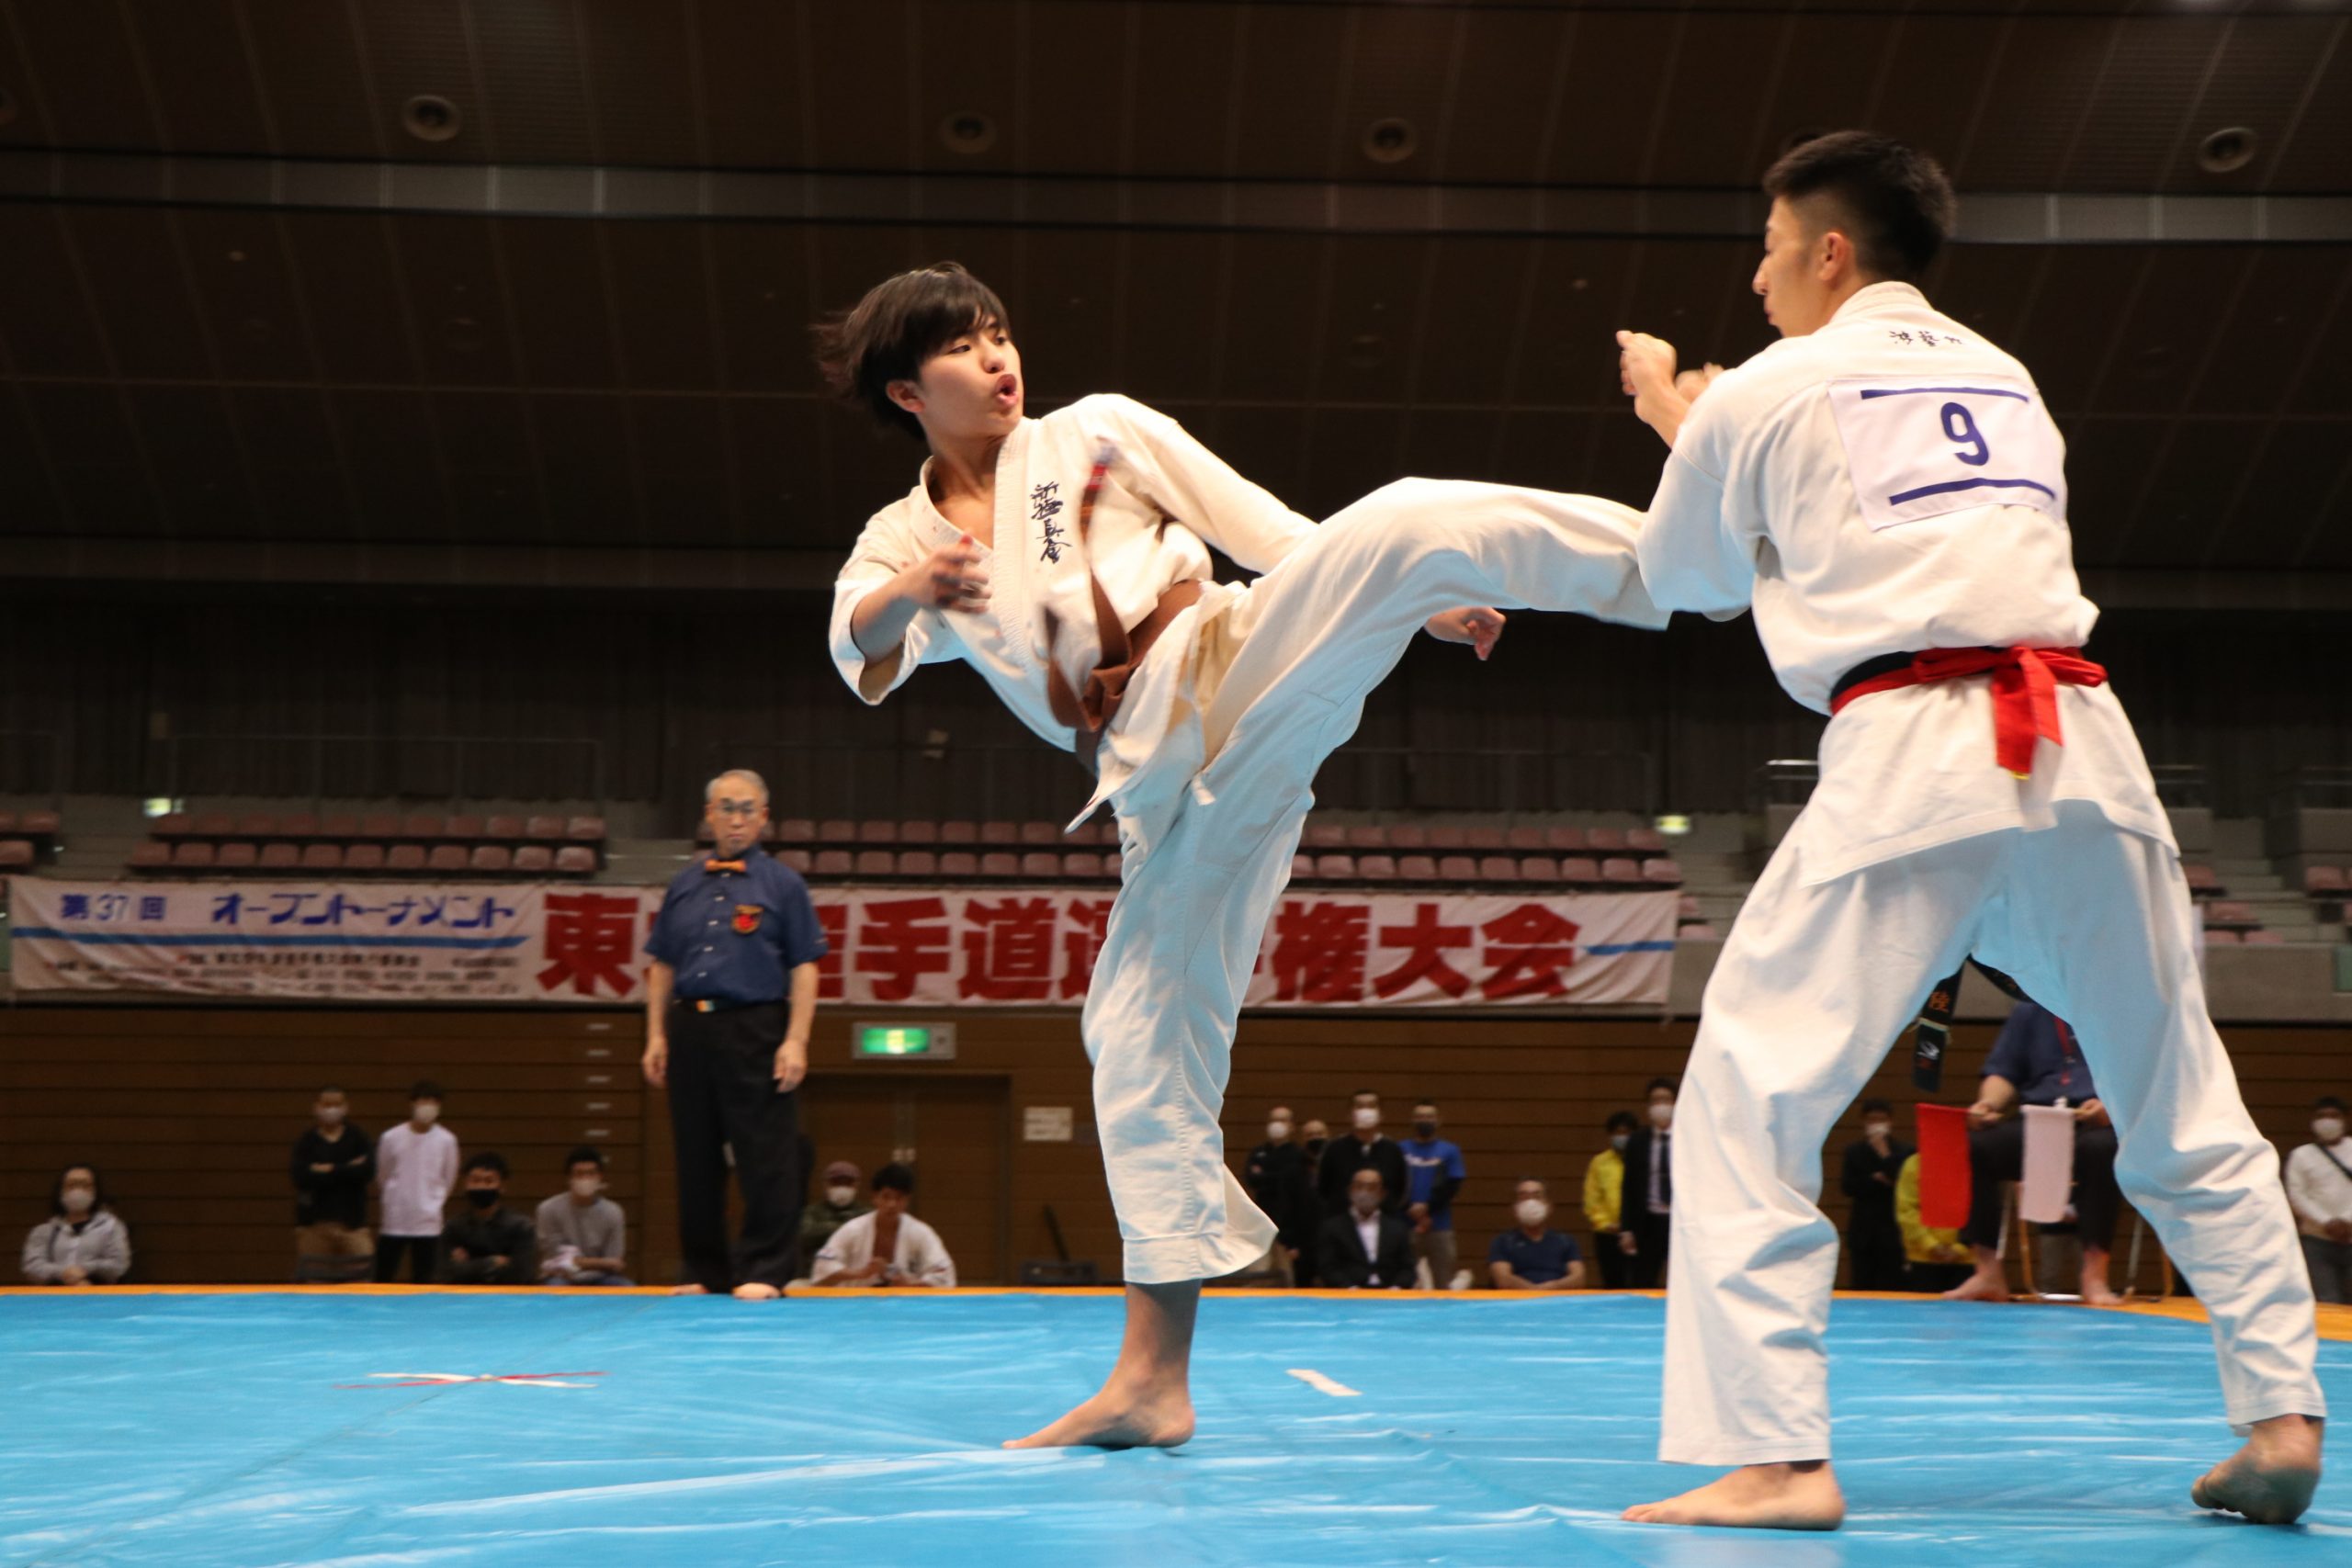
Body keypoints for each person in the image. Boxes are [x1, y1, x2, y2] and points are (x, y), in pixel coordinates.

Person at [821, 262, 1662, 1447]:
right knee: (1130, 1037)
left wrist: (1413, 602)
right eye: (965, 347)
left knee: (1409, 520)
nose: (999, 357)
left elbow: (1263, 528)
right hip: (1155, 789)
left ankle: (1684, 562)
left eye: (1000, 331)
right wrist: (915, 586)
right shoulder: (902, 535)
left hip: (1233, 660)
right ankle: (1152, 1383)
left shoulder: (1096, 434)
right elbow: (850, 638)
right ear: (908, 392)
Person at [1616, 130, 2323, 1529]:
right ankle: (2283, 1413)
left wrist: (1681, 424)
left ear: (1830, 250)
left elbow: (1679, 575)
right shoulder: (2006, 374)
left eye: (1767, 250)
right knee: (2181, 1090)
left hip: (1919, 754)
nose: (1755, 282)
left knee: (1749, 1089)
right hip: (2086, 751)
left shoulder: (1775, 380)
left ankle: (1778, 1449)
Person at [642, 768, 827, 1302]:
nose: (737, 818)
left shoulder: (783, 885)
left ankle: (766, 1270)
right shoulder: (684, 884)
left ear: (764, 818)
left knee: (765, 1154)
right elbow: (660, 965)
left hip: (756, 1023)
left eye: (747, 808)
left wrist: (796, 1039)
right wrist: (657, 1037)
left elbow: (806, 966)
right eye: (727, 807)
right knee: (694, 1153)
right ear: (708, 816)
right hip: (690, 1025)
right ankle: (705, 1267)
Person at [1942, 1001, 2124, 1304]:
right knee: (1977, 1146)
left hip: (2095, 1122)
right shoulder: (2029, 1011)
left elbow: (2141, 1073)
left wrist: (2111, 1106)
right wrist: (1987, 1104)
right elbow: (2002, 1071)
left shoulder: (2120, 1008)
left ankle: (2095, 1275)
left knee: (2102, 1150)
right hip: (2039, 1119)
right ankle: (1987, 1271)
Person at [809, 1164, 956, 1289]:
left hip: (906, 1305)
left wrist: (910, 1284)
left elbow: (944, 1273)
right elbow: (822, 1267)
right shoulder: (853, 1229)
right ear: (875, 1197)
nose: (891, 1204)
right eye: (886, 1196)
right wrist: (862, 1273)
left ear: (907, 1200)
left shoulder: (921, 1232)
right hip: (855, 1304)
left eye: (899, 1198)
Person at [373, 1080, 457, 1283]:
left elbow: (449, 1178)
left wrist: (433, 1202)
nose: (428, 1106)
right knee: (384, 1276)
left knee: (424, 1278)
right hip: (396, 1217)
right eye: (423, 1100)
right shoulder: (391, 1137)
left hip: (428, 1220)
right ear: (413, 1103)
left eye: (433, 1101)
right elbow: (383, 1173)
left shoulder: (447, 1140)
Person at [290, 1085, 375, 1271]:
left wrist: (328, 1169)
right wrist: (347, 1169)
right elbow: (300, 1176)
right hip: (315, 1226)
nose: (331, 1109)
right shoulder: (307, 1142)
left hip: (352, 1226)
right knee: (316, 1283)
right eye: (326, 1104)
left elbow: (366, 1172)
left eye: (337, 1104)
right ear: (317, 1107)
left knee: (361, 1279)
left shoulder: (358, 1138)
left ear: (345, 1107)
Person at [2284, 1096, 2352, 1304]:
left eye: (2334, 1116)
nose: (2327, 1121)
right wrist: (2327, 1222)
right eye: (2322, 1116)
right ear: (2313, 1121)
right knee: (2326, 1301)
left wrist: (2347, 1221)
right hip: (2316, 1240)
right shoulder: (2301, 1156)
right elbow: (2296, 1195)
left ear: (2345, 1120)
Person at [1838, 1100, 1911, 1292]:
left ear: (1890, 1121)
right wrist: (1875, 1179)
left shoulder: (1904, 1151)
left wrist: (1884, 1154)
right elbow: (1848, 1187)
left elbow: (1903, 1181)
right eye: (1872, 1119)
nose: (1877, 1124)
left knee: (1893, 1284)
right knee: (1861, 1283)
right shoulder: (1854, 1152)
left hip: (1893, 1229)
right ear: (1864, 1121)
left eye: (1881, 1119)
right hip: (1863, 1230)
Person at [1242, 1105, 1318, 1287]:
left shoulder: (1299, 1155)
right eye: (1273, 1120)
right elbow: (1252, 1179)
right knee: (1257, 1276)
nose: (1277, 1124)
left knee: (1287, 1278)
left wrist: (1266, 1175)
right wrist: (1277, 1176)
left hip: (1288, 1228)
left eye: (1283, 1120)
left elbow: (1294, 1188)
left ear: (1292, 1126)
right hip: (1261, 1224)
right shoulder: (1258, 1152)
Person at [537, 1146, 631, 1287]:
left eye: (591, 1173)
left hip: (602, 1277)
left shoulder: (613, 1212)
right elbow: (557, 1259)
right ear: (569, 1178)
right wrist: (603, 1262)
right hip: (562, 1276)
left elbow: (615, 1262)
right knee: (553, 1288)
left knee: (626, 1288)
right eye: (579, 1174)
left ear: (600, 1177)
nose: (585, 1179)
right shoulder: (548, 1209)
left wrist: (578, 1261)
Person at [21, 1165, 130, 1286]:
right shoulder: (45, 1230)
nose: (78, 1190)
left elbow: (119, 1264)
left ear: (95, 1191)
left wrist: (85, 1270)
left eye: (85, 1185)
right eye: (71, 1185)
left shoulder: (110, 1227)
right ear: (60, 1191)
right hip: (53, 1296)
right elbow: (32, 1266)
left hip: (100, 1295)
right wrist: (64, 1273)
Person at [439, 1153, 537, 1285]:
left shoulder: (521, 1227)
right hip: (463, 1299)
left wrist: (467, 1266)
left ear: (502, 1187)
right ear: (465, 1185)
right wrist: (492, 1263)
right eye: (475, 1181)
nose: (481, 1187)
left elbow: (523, 1275)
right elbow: (446, 1273)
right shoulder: (453, 1227)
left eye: (489, 1181)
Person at [1615, 1079, 1677, 1288]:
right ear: (1649, 1107)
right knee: (1643, 1280)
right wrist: (1626, 1229)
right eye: (1655, 1100)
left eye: (1666, 1100)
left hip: (1679, 1220)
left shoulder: (1688, 1137)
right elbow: (1628, 1187)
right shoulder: (1637, 1141)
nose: (1661, 1105)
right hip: (1648, 1222)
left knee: (1681, 1282)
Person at [1401, 1100, 1468, 1289]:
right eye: (1420, 1116)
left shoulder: (1450, 1151)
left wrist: (1428, 1207)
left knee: (1443, 1281)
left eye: (1429, 1116)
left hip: (1439, 1226)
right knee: (1406, 1281)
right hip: (1405, 1224)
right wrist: (1409, 1207)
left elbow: (1453, 1185)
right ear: (1412, 1120)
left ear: (1439, 1120)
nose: (1425, 1120)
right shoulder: (1400, 1149)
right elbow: (1394, 1185)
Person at [1318, 1090, 1410, 1222]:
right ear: (1350, 1115)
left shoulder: (1393, 1150)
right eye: (1360, 1106)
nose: (1365, 1111)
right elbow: (1323, 1190)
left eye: (1371, 1106)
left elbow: (1400, 1191)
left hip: (1384, 1226)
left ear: (1381, 1115)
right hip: (1341, 1226)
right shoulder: (1334, 1149)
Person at [1316, 1169, 1413, 1290]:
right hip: (1348, 1294)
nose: (1365, 1192)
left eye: (1372, 1187)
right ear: (1350, 1191)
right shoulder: (1332, 1228)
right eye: (1359, 1186)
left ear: (1382, 1193)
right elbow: (1328, 1267)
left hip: (1389, 1293)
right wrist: (1349, 1288)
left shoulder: (1398, 1228)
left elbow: (1408, 1268)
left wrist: (1396, 1288)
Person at [1895, 1151, 1973, 1293]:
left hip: (1967, 1258)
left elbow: (1981, 1208)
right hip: (1923, 1258)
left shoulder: (1974, 1163)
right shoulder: (1914, 1164)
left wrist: (1961, 1247)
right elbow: (1907, 1211)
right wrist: (1930, 1245)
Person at [1488, 1179, 1585, 1291]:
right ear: (1514, 1208)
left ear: (1549, 1206)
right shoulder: (1503, 1242)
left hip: (1557, 1301)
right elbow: (1503, 1279)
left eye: (1537, 1196)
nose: (1531, 1203)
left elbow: (1579, 1278)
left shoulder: (1566, 1241)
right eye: (1524, 1197)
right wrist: (1533, 1291)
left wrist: (1550, 1288)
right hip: (1517, 1302)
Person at [1584, 1111, 1638, 1288]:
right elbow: (1592, 1199)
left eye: (1626, 1132)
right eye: (1617, 1133)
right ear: (1610, 1135)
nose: (1621, 1137)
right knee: (1612, 1283)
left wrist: (1633, 1225)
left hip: (1638, 1234)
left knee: (1640, 1282)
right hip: (1607, 1234)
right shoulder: (1600, 1162)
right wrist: (1605, 1223)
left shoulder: (1640, 1160)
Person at [799, 1159, 872, 1268]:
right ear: (826, 1185)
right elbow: (805, 1236)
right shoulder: (812, 1212)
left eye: (847, 1183)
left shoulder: (866, 1214)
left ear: (856, 1185)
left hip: (856, 1275)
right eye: (836, 1183)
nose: (842, 1187)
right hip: (817, 1274)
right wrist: (843, 1227)